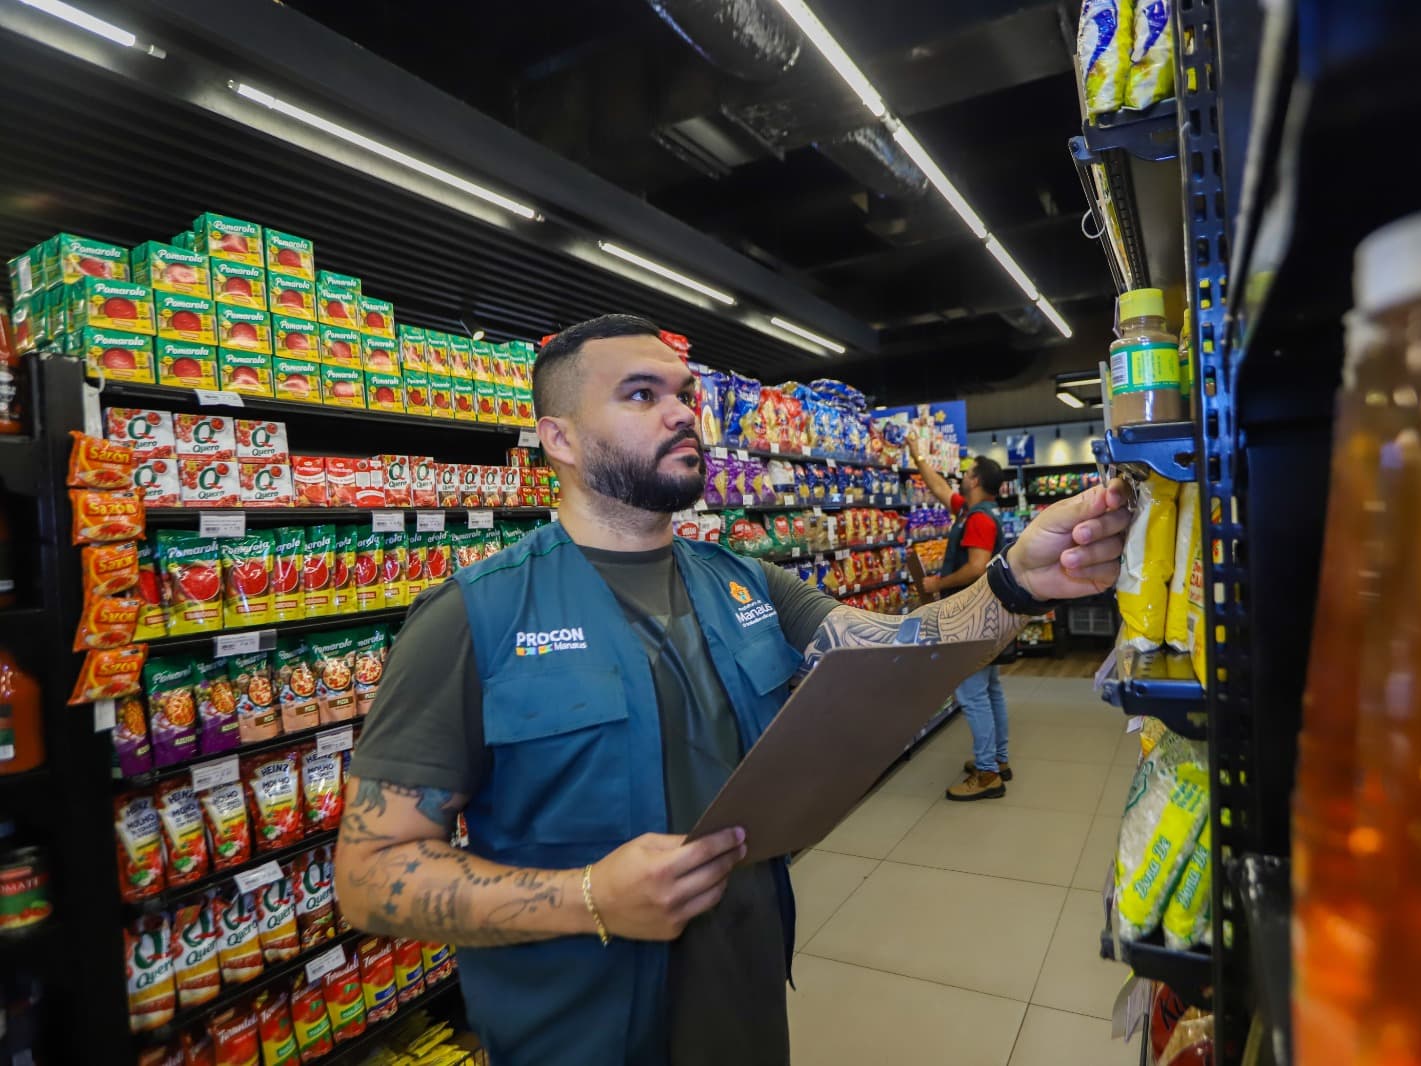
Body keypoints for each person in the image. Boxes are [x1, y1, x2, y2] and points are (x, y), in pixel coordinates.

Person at [335, 314, 1130, 1066]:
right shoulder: (473, 616)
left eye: (685, 394)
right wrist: (588, 898)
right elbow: (370, 878)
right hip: (574, 1029)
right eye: (642, 395)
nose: (683, 413)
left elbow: (895, 649)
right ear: (560, 439)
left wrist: (1017, 582)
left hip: (744, 1002)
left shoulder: (744, 581)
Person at [908, 446, 1015, 801]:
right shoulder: (970, 511)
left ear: (978, 481)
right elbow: (939, 489)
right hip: (987, 617)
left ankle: (987, 775)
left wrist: (937, 584)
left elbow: (977, 566)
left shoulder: (981, 520)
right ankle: (998, 760)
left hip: (973, 619)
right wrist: (916, 456)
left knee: (972, 695)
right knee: (991, 689)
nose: (963, 476)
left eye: (969, 473)